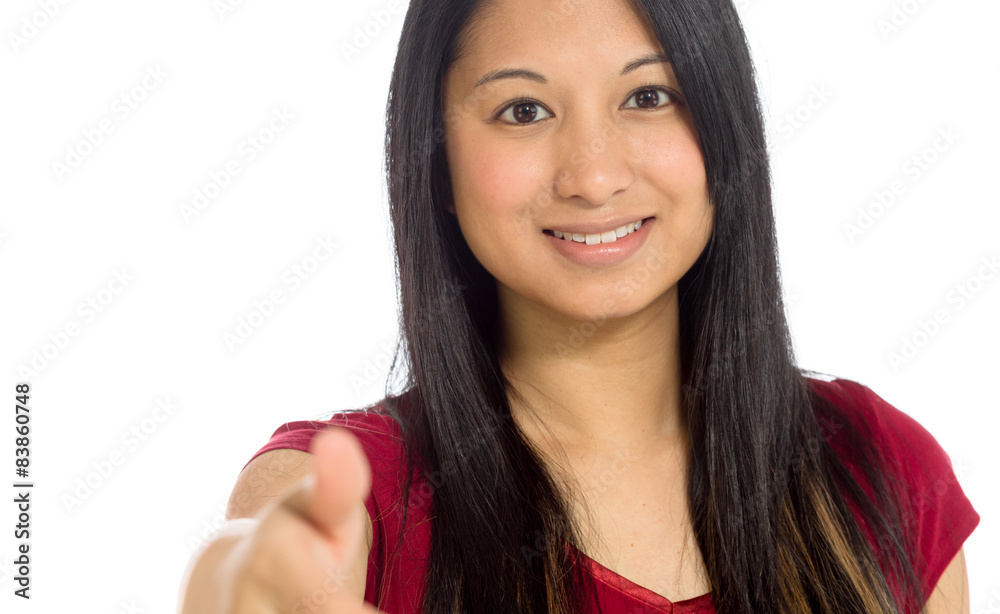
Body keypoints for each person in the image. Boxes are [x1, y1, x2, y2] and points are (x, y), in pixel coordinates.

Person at [178, 0, 980, 612]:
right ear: (437, 162)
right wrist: (241, 584)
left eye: (648, 96)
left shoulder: (880, 472)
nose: (594, 178)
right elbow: (254, 568)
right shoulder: (350, 493)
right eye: (523, 111)